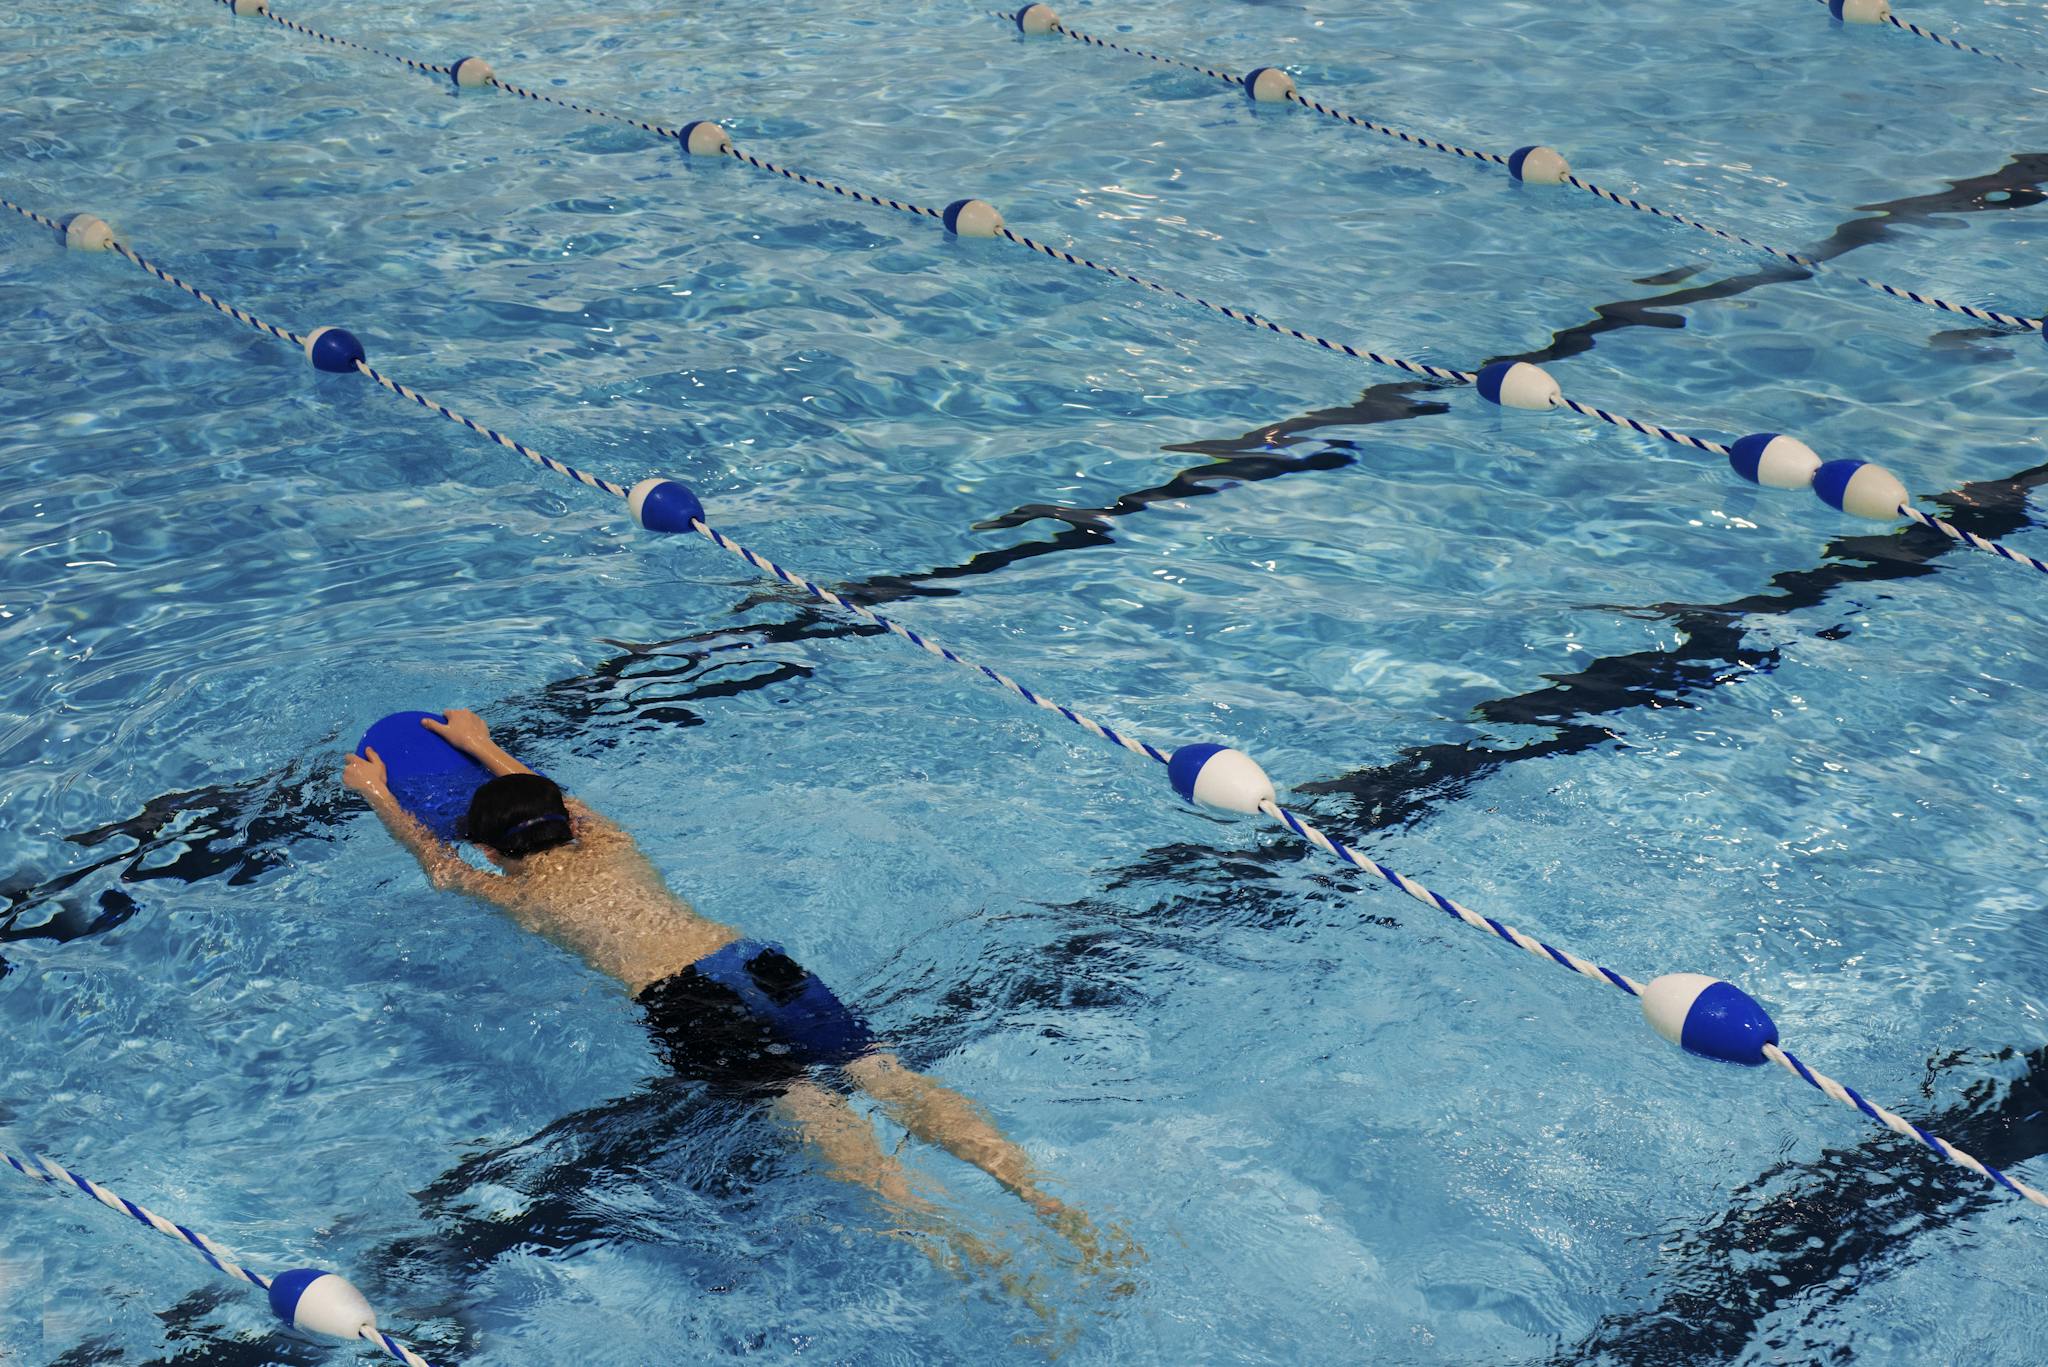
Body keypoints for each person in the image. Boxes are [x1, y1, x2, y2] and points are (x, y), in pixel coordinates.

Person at [342, 708, 1121, 1272]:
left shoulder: (520, 895)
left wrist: (380, 793)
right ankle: (1049, 1202)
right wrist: (484, 746)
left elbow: (442, 871)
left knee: (811, 1111)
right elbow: (557, 800)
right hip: (753, 960)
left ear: (488, 848)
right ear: (568, 824)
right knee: (886, 1075)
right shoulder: (613, 844)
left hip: (685, 999)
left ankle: (975, 1252)